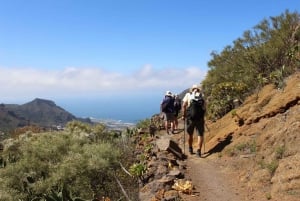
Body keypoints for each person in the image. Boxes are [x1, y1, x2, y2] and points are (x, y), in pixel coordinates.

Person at [182, 84, 206, 157]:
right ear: (198, 89)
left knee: (190, 134)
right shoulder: (202, 95)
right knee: (200, 134)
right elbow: (204, 107)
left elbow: (183, 105)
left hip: (190, 118)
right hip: (200, 118)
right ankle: (199, 151)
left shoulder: (188, 94)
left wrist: (184, 115)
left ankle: (190, 148)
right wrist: (203, 116)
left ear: (192, 89)